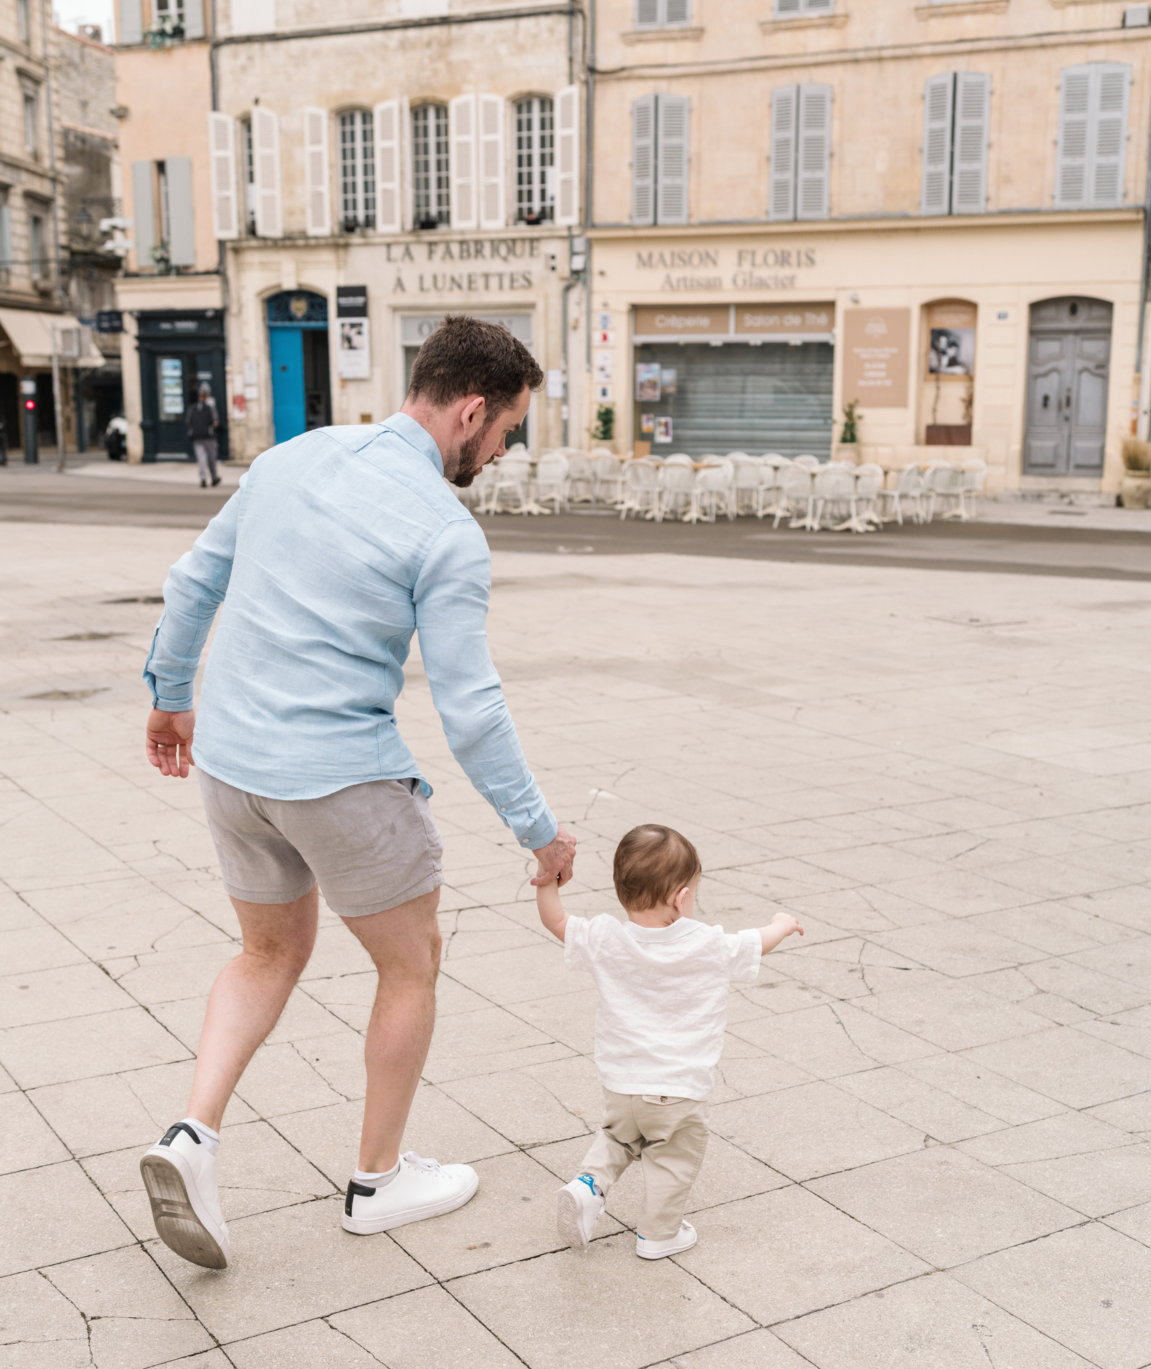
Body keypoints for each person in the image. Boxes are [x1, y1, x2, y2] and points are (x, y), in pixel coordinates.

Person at [140, 315, 576, 1271]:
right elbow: (470, 708)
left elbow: (190, 583)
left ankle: (191, 1136)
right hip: (341, 777)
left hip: (233, 767)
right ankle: (378, 1181)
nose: (501, 451)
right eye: (505, 430)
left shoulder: (292, 459)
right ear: (470, 410)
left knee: (265, 954)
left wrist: (171, 700)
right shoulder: (443, 531)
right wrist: (537, 833)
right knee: (410, 963)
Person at [537, 823, 802, 1258]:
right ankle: (659, 1235)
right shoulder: (708, 943)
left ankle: (588, 1186)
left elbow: (556, 921)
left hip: (621, 1084)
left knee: (618, 1140)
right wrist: (782, 923)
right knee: (671, 1161)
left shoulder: (605, 936)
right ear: (682, 896)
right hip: (677, 1090)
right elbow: (757, 943)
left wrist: (548, 883)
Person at [186, 385, 221, 487]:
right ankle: (214, 477)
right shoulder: (210, 407)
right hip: (209, 437)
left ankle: (203, 478)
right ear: (208, 395)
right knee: (211, 458)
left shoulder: (192, 408)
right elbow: (215, 422)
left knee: (201, 458)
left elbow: (188, 422)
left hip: (197, 437)